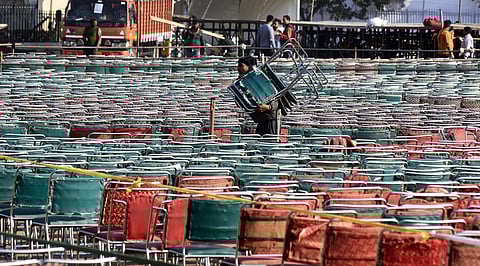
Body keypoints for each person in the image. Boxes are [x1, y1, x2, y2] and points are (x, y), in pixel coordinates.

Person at [237, 56, 279, 136]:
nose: (238, 68)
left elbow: (275, 98)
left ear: (249, 66)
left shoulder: (260, 79)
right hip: (260, 119)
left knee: (270, 141)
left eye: (241, 65)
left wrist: (268, 107)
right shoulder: (242, 82)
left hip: (270, 119)